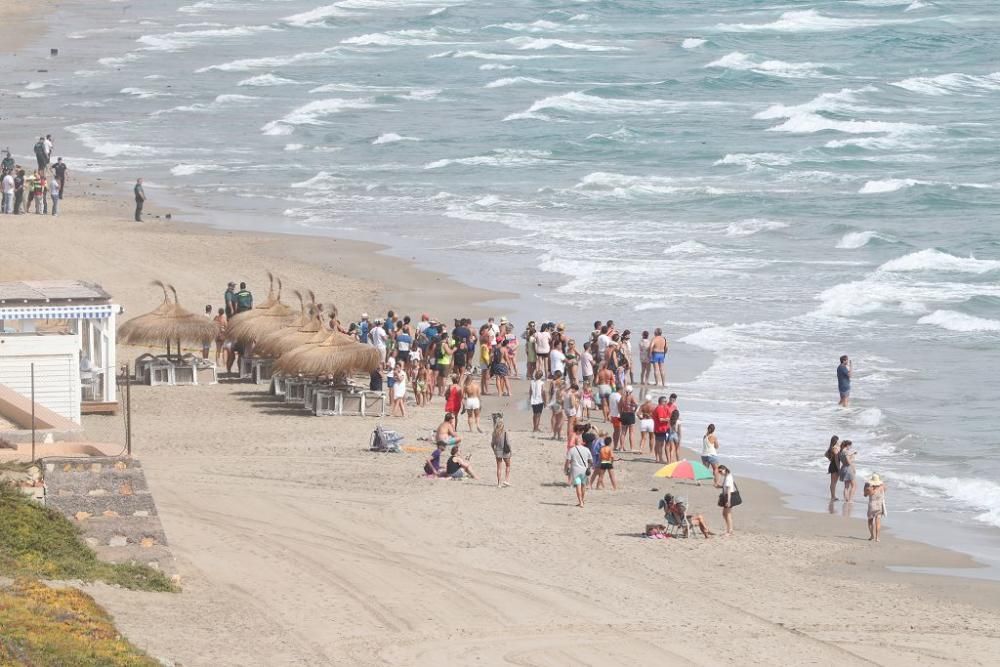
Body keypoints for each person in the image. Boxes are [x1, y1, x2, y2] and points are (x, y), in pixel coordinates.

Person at [565, 435, 593, 508]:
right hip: (584, 470)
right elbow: (590, 461)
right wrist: (589, 468)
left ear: (575, 442)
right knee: (583, 485)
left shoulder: (571, 450)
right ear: (582, 442)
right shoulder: (587, 449)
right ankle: (582, 500)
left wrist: (566, 469)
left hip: (575, 470)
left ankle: (580, 502)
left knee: (578, 485)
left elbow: (568, 461)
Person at [490, 413, 512, 488]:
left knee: (499, 467)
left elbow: (492, 444)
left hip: (498, 452)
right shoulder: (505, 432)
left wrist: (494, 450)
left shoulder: (494, 433)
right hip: (505, 451)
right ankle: (506, 480)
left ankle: (499, 483)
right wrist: (511, 451)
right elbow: (508, 443)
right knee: (508, 465)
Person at [864, 474, 887, 542]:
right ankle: (877, 538)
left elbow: (865, 495)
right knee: (878, 522)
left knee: (870, 521)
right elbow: (884, 492)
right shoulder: (883, 487)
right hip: (879, 506)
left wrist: (866, 488)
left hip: (872, 506)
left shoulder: (870, 488)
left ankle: (872, 535)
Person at [718, 465, 739, 536]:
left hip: (729, 497)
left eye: (720, 471)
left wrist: (728, 501)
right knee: (725, 514)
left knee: (727, 514)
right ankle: (729, 529)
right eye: (719, 472)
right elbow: (726, 487)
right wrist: (719, 486)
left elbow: (729, 490)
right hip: (727, 497)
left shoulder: (728, 478)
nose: (720, 473)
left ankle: (730, 531)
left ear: (725, 469)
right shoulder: (727, 476)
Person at [651, 396, 671, 464]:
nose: (666, 402)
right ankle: (660, 458)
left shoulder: (661, 408)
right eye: (665, 401)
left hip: (661, 429)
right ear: (661, 402)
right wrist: (668, 419)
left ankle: (658, 458)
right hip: (660, 429)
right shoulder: (659, 408)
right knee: (660, 444)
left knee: (658, 444)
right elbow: (661, 419)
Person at [825, 435, 841, 501]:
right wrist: (839, 469)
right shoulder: (835, 448)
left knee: (833, 482)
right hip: (835, 466)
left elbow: (825, 454)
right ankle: (833, 496)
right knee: (833, 483)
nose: (839, 441)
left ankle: (833, 496)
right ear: (835, 441)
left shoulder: (831, 448)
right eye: (838, 440)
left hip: (832, 465)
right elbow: (837, 460)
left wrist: (830, 459)